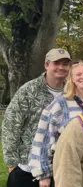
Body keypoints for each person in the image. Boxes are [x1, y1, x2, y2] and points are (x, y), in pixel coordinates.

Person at [2, 48, 71, 187]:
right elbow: (11, 125)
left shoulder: (71, 93)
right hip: (26, 167)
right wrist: (12, 163)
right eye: (56, 63)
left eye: (65, 64)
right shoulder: (29, 90)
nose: (61, 67)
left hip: (57, 166)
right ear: (47, 65)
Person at [29, 62, 83, 187]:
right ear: (72, 79)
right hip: (67, 169)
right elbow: (43, 139)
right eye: (79, 74)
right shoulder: (61, 105)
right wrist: (44, 174)